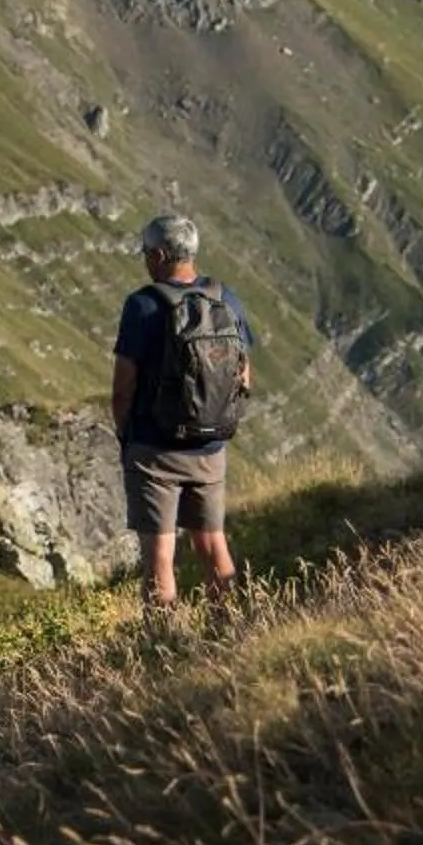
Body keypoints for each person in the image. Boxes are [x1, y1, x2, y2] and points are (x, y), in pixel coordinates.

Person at [111, 213, 254, 613]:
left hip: (154, 449)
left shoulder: (142, 305)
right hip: (210, 448)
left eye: (145, 253)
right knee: (213, 546)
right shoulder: (227, 300)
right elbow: (244, 376)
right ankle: (231, 629)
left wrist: (129, 440)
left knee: (160, 556)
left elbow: (122, 389)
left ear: (158, 254)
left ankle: (162, 644)